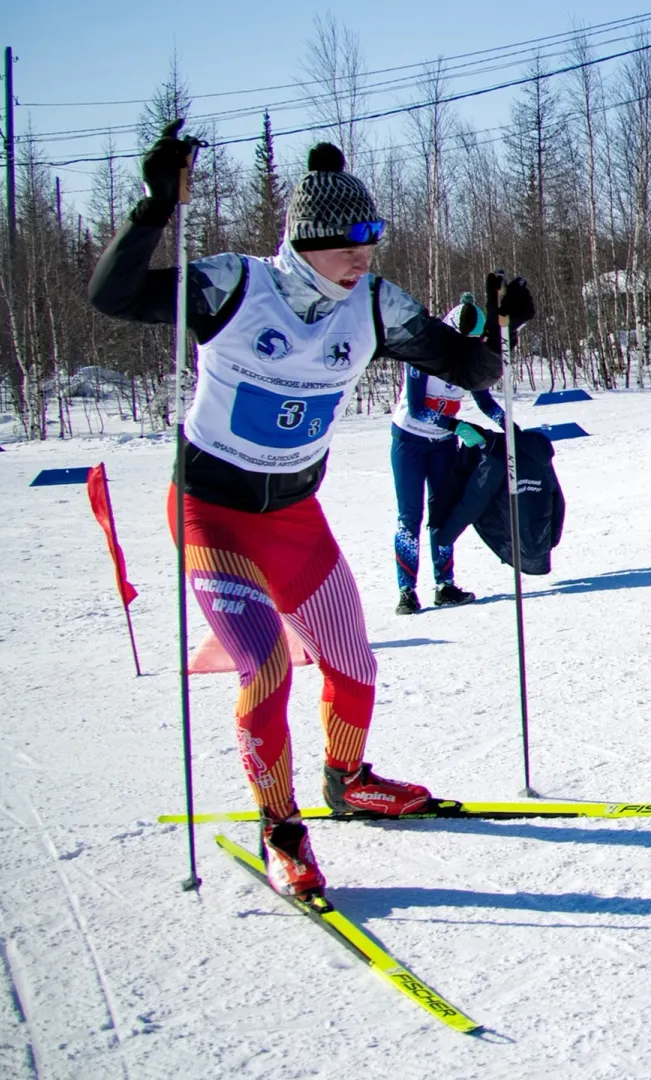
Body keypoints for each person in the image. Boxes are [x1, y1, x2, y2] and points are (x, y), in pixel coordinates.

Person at [88, 125, 534, 897]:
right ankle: (281, 825)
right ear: (306, 241)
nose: (364, 252)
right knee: (263, 668)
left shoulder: (373, 306)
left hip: (294, 515)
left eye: (372, 236)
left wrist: (501, 330)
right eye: (348, 239)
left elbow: (466, 368)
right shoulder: (234, 285)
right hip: (211, 512)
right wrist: (158, 206)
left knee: (353, 663)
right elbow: (114, 297)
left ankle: (347, 779)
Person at [390, 291, 506, 615]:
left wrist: (507, 423)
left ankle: (445, 585)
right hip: (409, 443)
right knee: (409, 517)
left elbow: (484, 402)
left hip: (441, 446)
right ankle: (406, 591)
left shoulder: (467, 357)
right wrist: (457, 426)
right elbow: (416, 410)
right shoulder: (423, 353)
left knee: (444, 514)